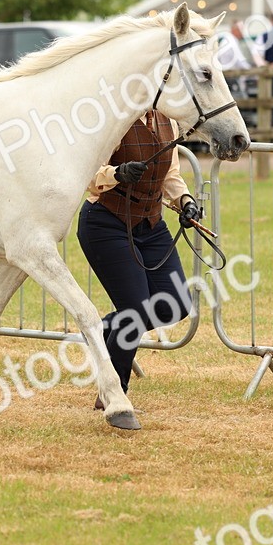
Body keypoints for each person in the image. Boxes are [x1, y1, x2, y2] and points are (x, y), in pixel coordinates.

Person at [76, 108, 201, 409]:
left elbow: (170, 175)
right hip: (105, 222)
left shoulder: (165, 118)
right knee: (134, 310)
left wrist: (186, 202)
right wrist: (116, 174)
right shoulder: (111, 117)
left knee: (177, 304)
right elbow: (89, 175)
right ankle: (113, 394)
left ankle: (103, 329)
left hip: (151, 224)